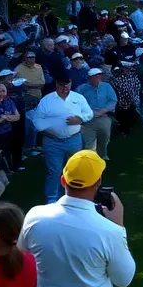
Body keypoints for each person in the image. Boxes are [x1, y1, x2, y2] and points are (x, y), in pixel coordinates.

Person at [19, 150, 134, 287]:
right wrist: (119, 226)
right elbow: (123, 280)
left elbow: (20, 258)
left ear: (63, 180)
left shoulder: (34, 216)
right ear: (98, 182)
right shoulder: (111, 231)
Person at [34, 73, 94, 204]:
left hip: (74, 139)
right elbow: (37, 120)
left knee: (75, 169)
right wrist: (47, 128)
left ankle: (74, 197)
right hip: (52, 141)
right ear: (56, 84)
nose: (65, 88)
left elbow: (89, 113)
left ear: (71, 83)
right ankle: (52, 200)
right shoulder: (47, 100)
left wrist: (80, 119)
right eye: (62, 85)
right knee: (54, 171)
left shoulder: (78, 98)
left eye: (67, 85)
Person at [78, 68, 117, 161]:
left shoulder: (106, 86)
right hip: (88, 119)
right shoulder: (81, 88)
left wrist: (104, 110)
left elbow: (113, 100)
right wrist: (91, 113)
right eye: (95, 77)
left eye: (99, 76)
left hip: (104, 117)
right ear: (89, 78)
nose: (98, 78)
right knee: (88, 141)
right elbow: (78, 104)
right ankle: (90, 159)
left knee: (105, 137)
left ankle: (103, 155)